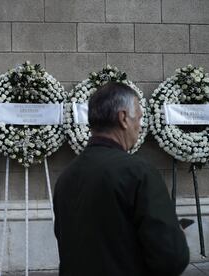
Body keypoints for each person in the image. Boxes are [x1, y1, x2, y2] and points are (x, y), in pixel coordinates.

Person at [53, 82, 189, 276]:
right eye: (139, 118)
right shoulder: (139, 172)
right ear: (124, 118)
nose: (140, 127)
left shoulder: (67, 175)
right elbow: (172, 258)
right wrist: (177, 237)